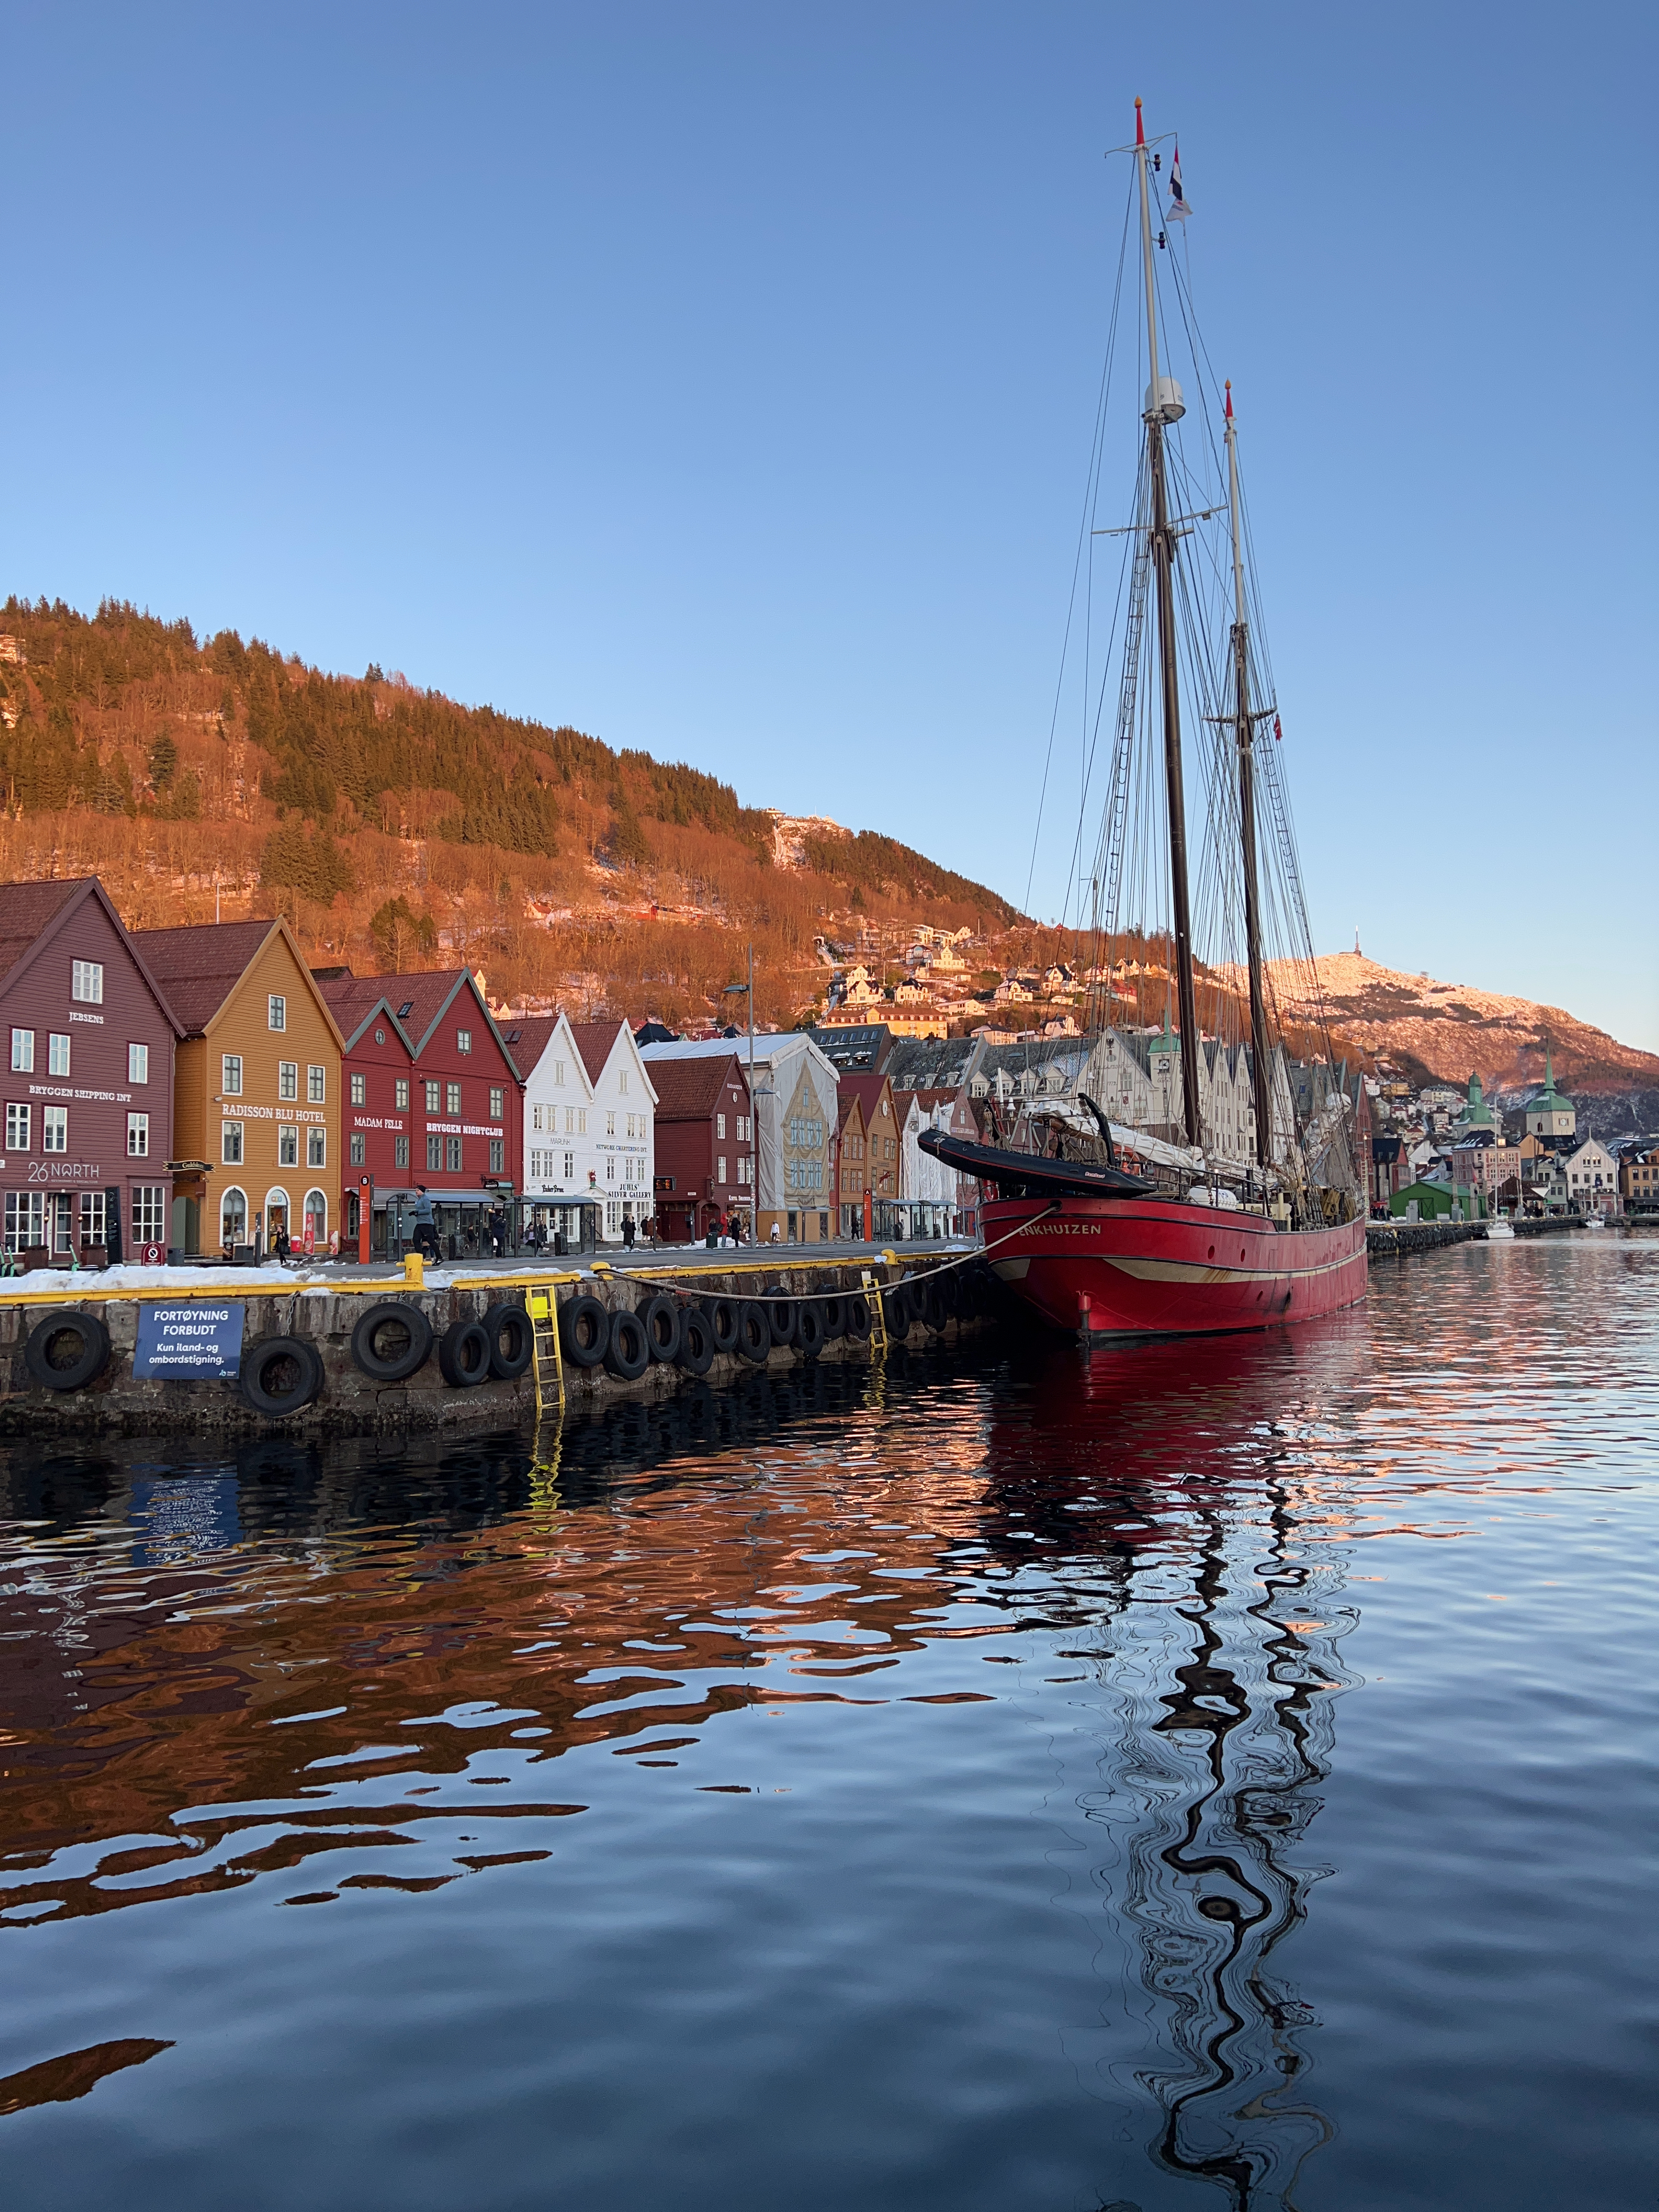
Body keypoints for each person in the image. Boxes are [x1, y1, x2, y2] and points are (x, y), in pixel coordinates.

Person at [411, 1185, 438, 1262]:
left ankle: (439, 1257)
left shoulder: (425, 1200)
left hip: (427, 1223)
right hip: (420, 1223)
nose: (416, 1192)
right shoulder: (419, 1200)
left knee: (431, 1241)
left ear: (421, 1191)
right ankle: (420, 1257)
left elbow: (428, 1211)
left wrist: (417, 1212)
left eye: (417, 1190)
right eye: (416, 1190)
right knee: (416, 1239)